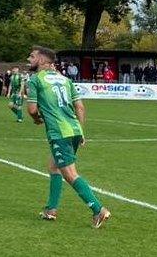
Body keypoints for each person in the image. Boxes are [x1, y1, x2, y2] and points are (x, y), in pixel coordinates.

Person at [26, 46, 109, 227]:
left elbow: (32, 110)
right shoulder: (65, 80)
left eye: (32, 56)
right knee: (54, 167)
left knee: (70, 174)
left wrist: (36, 119)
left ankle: (98, 209)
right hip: (74, 129)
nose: (28, 59)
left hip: (59, 132)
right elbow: (80, 107)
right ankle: (51, 209)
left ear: (42, 60)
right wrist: (80, 131)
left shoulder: (35, 80)